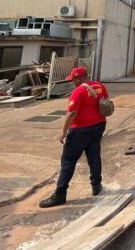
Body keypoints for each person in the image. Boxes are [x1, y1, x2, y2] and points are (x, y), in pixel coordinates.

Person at [39, 66, 109, 208]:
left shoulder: (79, 91)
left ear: (79, 78)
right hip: (99, 125)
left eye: (73, 79)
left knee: (68, 161)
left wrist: (63, 132)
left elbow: (71, 114)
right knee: (94, 156)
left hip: (81, 130)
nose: (72, 82)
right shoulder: (100, 86)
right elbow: (106, 103)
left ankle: (60, 194)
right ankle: (96, 186)